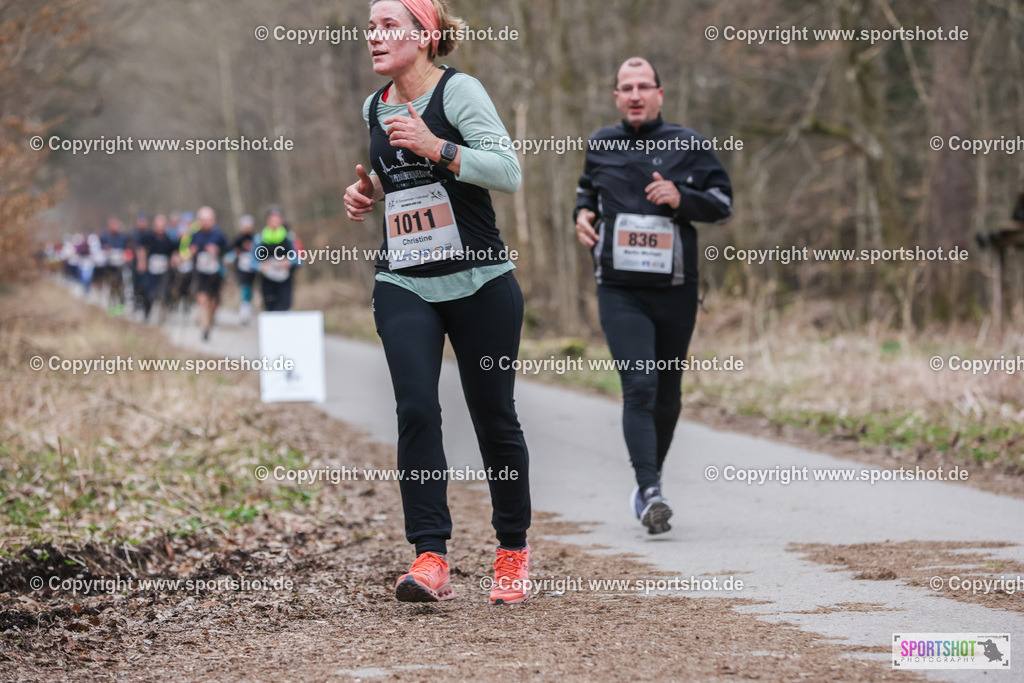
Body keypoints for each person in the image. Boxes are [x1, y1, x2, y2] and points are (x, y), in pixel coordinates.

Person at [345, 0, 531, 605]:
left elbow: (506, 172)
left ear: (423, 36)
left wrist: (436, 146)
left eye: (387, 26)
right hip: (404, 281)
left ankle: (511, 551)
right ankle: (429, 557)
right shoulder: (374, 105)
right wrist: (365, 191)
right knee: (417, 409)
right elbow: (396, 177)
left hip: (480, 280)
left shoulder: (459, 93)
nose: (374, 36)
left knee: (493, 417)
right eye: (370, 27)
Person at [574, 57, 733, 535]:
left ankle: (650, 483)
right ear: (616, 97)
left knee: (667, 393)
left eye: (645, 86)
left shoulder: (688, 144)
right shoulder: (601, 144)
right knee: (639, 384)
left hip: (675, 290)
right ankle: (649, 490)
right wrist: (581, 215)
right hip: (620, 289)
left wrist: (682, 197)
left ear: (660, 94)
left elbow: (723, 204)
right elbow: (587, 193)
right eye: (627, 87)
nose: (636, 94)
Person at [189, 206, 228, 341]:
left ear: (213, 220)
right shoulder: (194, 235)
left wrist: (217, 251)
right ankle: (204, 326)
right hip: (200, 272)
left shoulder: (219, 235)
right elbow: (188, 251)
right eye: (203, 220)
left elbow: (228, 252)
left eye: (209, 219)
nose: (206, 222)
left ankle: (209, 320)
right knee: (202, 298)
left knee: (213, 302)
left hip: (216, 273)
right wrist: (191, 253)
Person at [251, 207, 300, 312]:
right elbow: (253, 261)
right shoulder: (258, 239)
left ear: (282, 221)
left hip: (285, 279)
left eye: (277, 220)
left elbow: (299, 258)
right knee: (270, 306)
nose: (275, 222)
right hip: (267, 279)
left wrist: (289, 262)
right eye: (272, 220)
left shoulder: (290, 238)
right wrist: (261, 266)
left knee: (285, 306)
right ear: (267, 221)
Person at [137, 214, 179, 323]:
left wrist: (175, 261)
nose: (160, 228)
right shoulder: (148, 238)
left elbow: (175, 253)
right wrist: (142, 261)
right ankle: (147, 313)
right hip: (150, 269)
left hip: (164, 271)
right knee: (148, 293)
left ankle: (163, 314)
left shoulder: (170, 240)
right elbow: (141, 249)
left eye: (162, 226)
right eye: (158, 225)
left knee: (164, 292)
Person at [232, 214, 257, 323]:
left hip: (253, 267)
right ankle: (244, 309)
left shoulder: (256, 238)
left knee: (251, 287)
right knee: (244, 287)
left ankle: (249, 305)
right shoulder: (238, 238)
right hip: (241, 267)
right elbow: (232, 251)